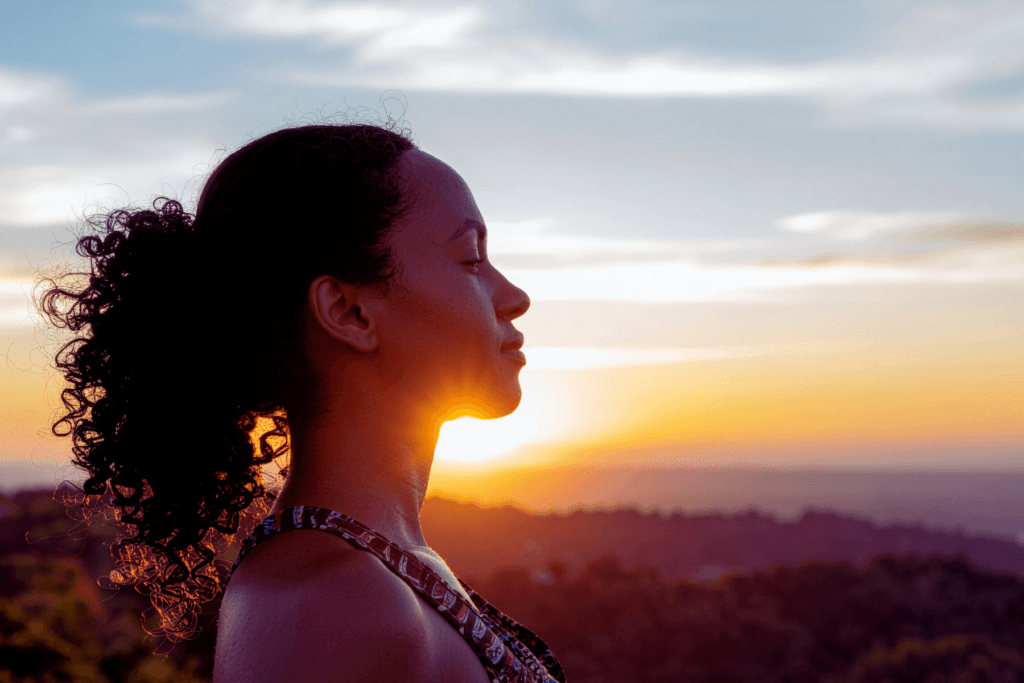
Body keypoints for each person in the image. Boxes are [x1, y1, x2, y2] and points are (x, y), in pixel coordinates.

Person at [39, 123, 565, 683]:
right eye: (471, 259)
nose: (515, 297)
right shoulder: (328, 603)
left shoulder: (368, 571)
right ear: (347, 311)